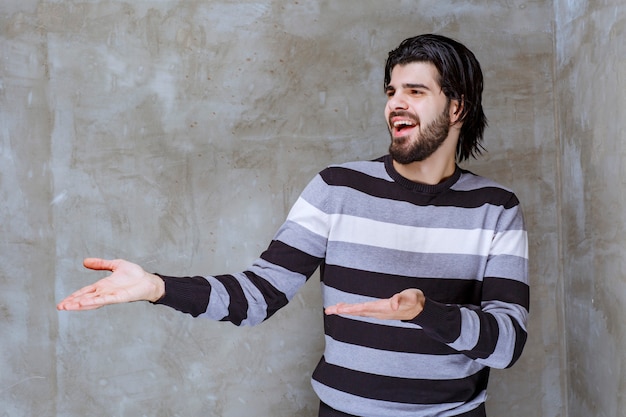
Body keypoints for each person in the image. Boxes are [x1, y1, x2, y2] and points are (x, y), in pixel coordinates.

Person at [57, 34, 529, 417]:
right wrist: (157, 287)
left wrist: (427, 312)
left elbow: (507, 344)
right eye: (391, 91)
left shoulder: (497, 208)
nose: (396, 104)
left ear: (457, 108)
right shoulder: (336, 189)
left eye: (415, 91)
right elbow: (257, 296)